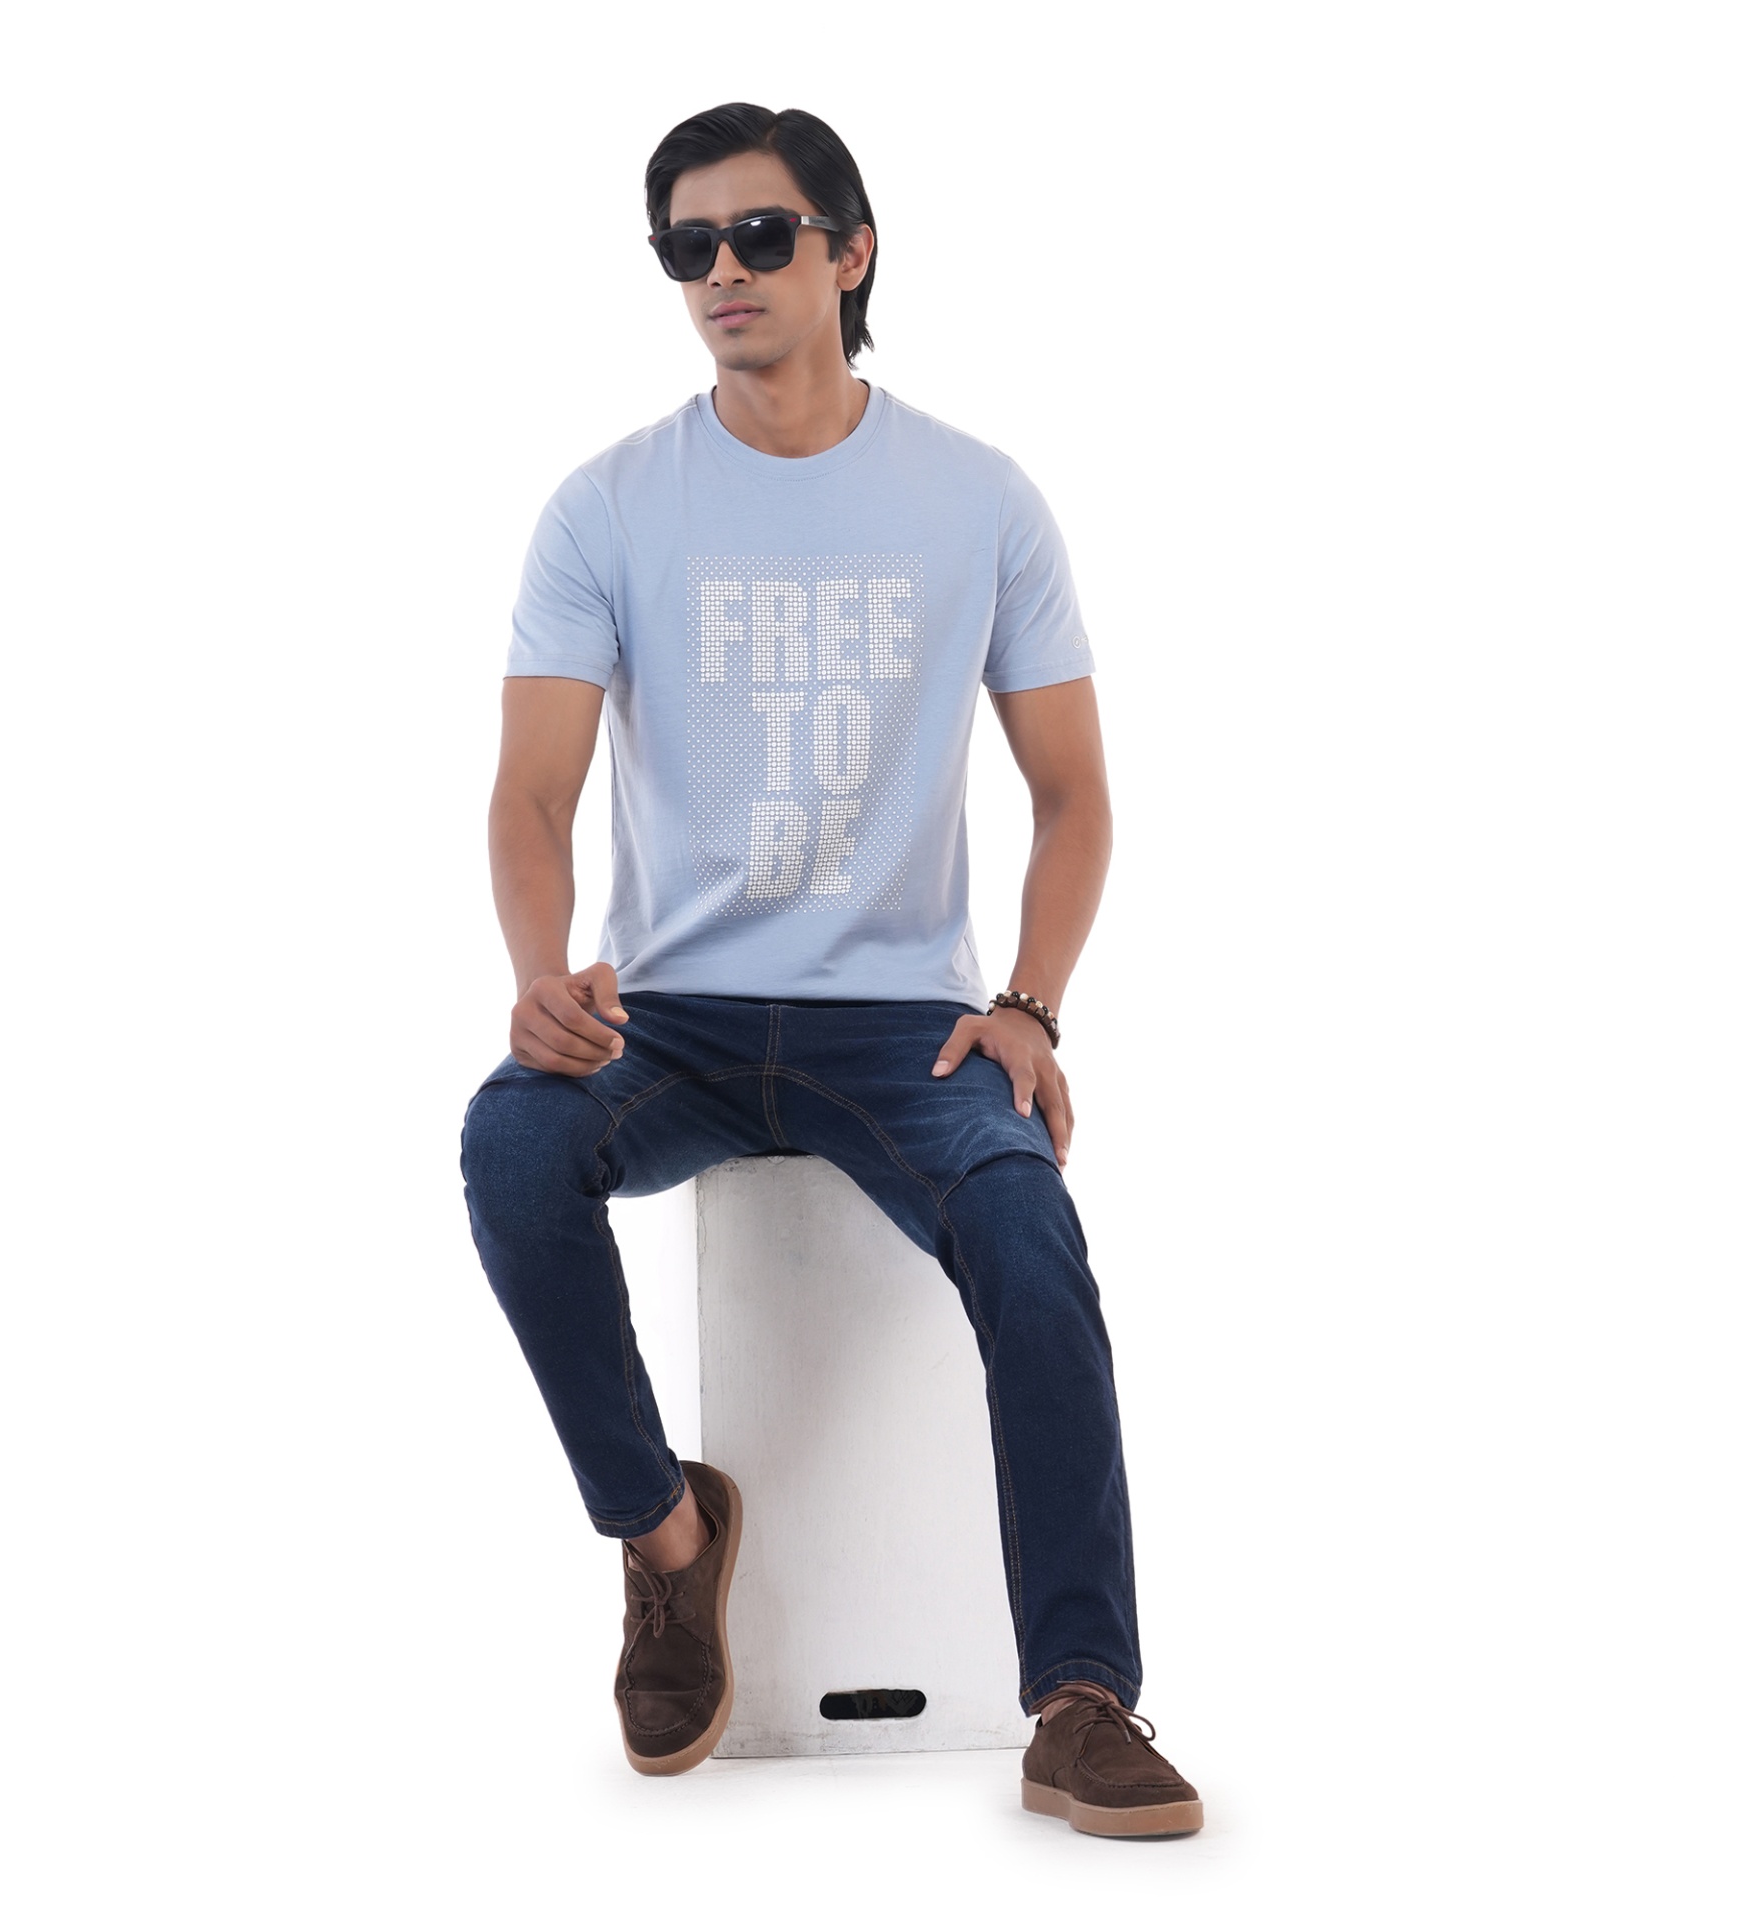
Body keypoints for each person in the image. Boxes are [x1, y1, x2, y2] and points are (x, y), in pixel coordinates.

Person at [459, 101, 1202, 1838]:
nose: (722, 270)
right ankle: (669, 1543)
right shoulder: (608, 505)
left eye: (761, 234)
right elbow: (532, 791)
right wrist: (539, 974)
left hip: (904, 1029)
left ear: (850, 250)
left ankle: (1083, 1699)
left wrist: (1030, 1003)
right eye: (688, 245)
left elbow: (1077, 795)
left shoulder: (977, 499)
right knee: (510, 1146)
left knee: (1030, 1232)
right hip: (673, 1018)